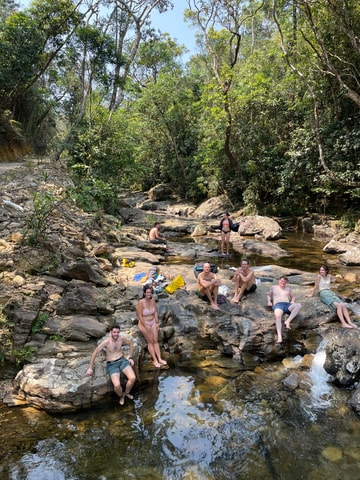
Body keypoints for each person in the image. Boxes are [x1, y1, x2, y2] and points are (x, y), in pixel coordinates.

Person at [86, 324, 136, 406]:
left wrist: (130, 357)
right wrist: (90, 368)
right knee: (116, 385)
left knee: (133, 378)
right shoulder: (106, 342)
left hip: (122, 360)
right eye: (114, 332)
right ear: (111, 332)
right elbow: (95, 352)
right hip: (112, 364)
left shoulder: (121, 338)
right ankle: (121, 396)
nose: (116, 334)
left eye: (117, 332)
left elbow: (130, 343)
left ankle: (126, 393)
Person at [306, 265, 357, 329]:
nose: (320, 271)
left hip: (330, 292)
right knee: (338, 305)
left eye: (322, 270)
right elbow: (315, 287)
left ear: (326, 271)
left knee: (343, 305)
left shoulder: (329, 276)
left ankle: (350, 322)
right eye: (320, 270)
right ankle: (343, 323)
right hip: (323, 293)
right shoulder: (318, 277)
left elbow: (336, 278)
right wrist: (311, 294)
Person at [136, 285, 168, 368]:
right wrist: (146, 325)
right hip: (144, 322)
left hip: (153, 321)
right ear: (144, 293)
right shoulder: (141, 302)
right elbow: (139, 315)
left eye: (150, 292)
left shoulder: (153, 300)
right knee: (150, 341)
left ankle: (160, 358)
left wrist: (157, 322)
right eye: (147, 292)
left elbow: (155, 312)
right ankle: (155, 360)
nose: (149, 294)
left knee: (155, 340)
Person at [266, 276, 302, 344]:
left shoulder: (288, 289)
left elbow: (293, 296)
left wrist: (293, 301)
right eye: (282, 281)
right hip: (278, 305)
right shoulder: (274, 287)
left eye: (284, 281)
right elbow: (268, 295)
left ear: (286, 283)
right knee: (278, 317)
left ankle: (288, 321)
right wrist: (269, 301)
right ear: (279, 281)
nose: (283, 282)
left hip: (287, 305)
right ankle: (280, 337)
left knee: (299, 305)